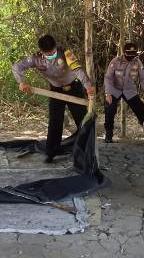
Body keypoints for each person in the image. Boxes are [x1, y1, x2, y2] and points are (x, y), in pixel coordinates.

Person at [12, 35, 95, 163]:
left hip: (74, 88)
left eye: (53, 52)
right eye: (47, 53)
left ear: (56, 47)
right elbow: (17, 67)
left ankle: (86, 152)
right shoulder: (35, 59)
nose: (51, 55)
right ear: (41, 51)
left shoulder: (66, 54)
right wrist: (22, 82)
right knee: (55, 122)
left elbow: (78, 70)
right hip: (56, 91)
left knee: (82, 120)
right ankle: (51, 152)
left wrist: (88, 86)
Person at [103, 42, 144, 143]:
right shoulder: (115, 61)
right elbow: (108, 78)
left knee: (140, 110)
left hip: (129, 90)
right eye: (129, 54)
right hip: (114, 89)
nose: (131, 56)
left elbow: (143, 78)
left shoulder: (137, 62)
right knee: (109, 109)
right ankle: (108, 135)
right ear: (124, 52)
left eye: (133, 54)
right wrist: (108, 93)